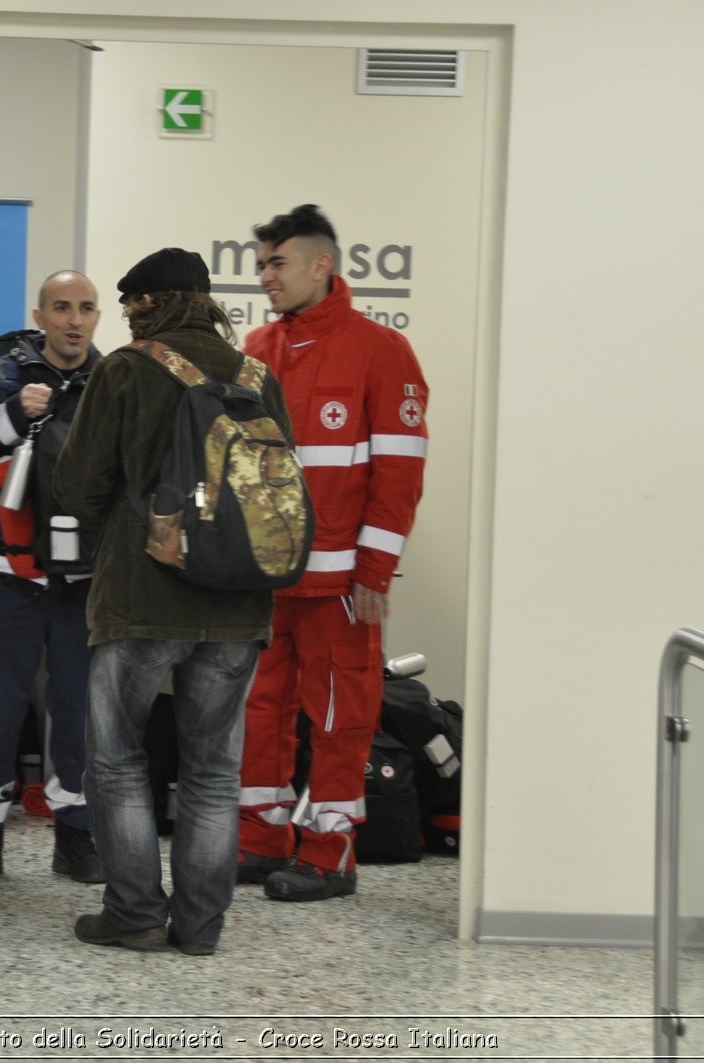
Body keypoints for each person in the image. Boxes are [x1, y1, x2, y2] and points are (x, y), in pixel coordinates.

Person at [53, 248, 286, 956]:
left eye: (129, 307)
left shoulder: (126, 369)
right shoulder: (256, 377)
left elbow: (77, 486)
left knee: (119, 759)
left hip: (141, 597)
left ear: (149, 304)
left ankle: (134, 914)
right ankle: (201, 924)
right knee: (214, 768)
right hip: (239, 603)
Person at [237, 204, 429, 902]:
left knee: (340, 716)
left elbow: (400, 472)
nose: (265, 276)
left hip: (342, 583)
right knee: (259, 709)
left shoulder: (382, 350)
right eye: (260, 264)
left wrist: (375, 570)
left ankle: (330, 851)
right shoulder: (256, 348)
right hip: (262, 580)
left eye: (276, 262)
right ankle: (260, 839)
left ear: (322, 264)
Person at [0, 270, 106, 885]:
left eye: (86, 308)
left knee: (79, 712)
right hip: (5, 577)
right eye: (61, 307)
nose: (74, 319)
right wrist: (12, 415)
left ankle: (77, 836)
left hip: (84, 582)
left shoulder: (113, 381)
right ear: (39, 314)